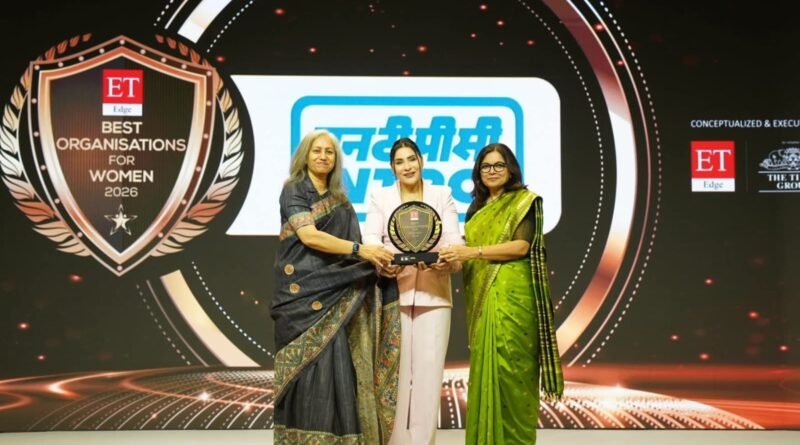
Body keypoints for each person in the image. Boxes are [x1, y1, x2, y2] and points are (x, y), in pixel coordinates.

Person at [271, 129, 400, 444]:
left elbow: (354, 248)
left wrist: (376, 263)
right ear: (305, 156)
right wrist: (361, 251)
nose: (323, 156)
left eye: (329, 152)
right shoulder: (294, 189)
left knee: (339, 369)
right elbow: (310, 236)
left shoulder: (341, 201)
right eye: (317, 150)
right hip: (302, 294)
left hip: (338, 293)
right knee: (307, 375)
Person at [439, 143, 564, 444]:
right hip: (483, 298)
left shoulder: (523, 201)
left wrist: (474, 252)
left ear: (511, 169)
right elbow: (466, 255)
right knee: (487, 372)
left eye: (499, 165)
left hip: (514, 297)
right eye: (486, 166)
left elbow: (521, 246)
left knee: (513, 372)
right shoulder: (476, 208)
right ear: (478, 172)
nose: (492, 171)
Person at [363, 137, 463, 445]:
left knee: (428, 376)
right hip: (394, 294)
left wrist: (446, 260)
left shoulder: (441, 194)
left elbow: (455, 242)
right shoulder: (381, 196)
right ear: (392, 167)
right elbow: (371, 240)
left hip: (435, 296)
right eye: (399, 161)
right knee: (394, 375)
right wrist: (383, 263)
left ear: (421, 160)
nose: (407, 166)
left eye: (411, 159)